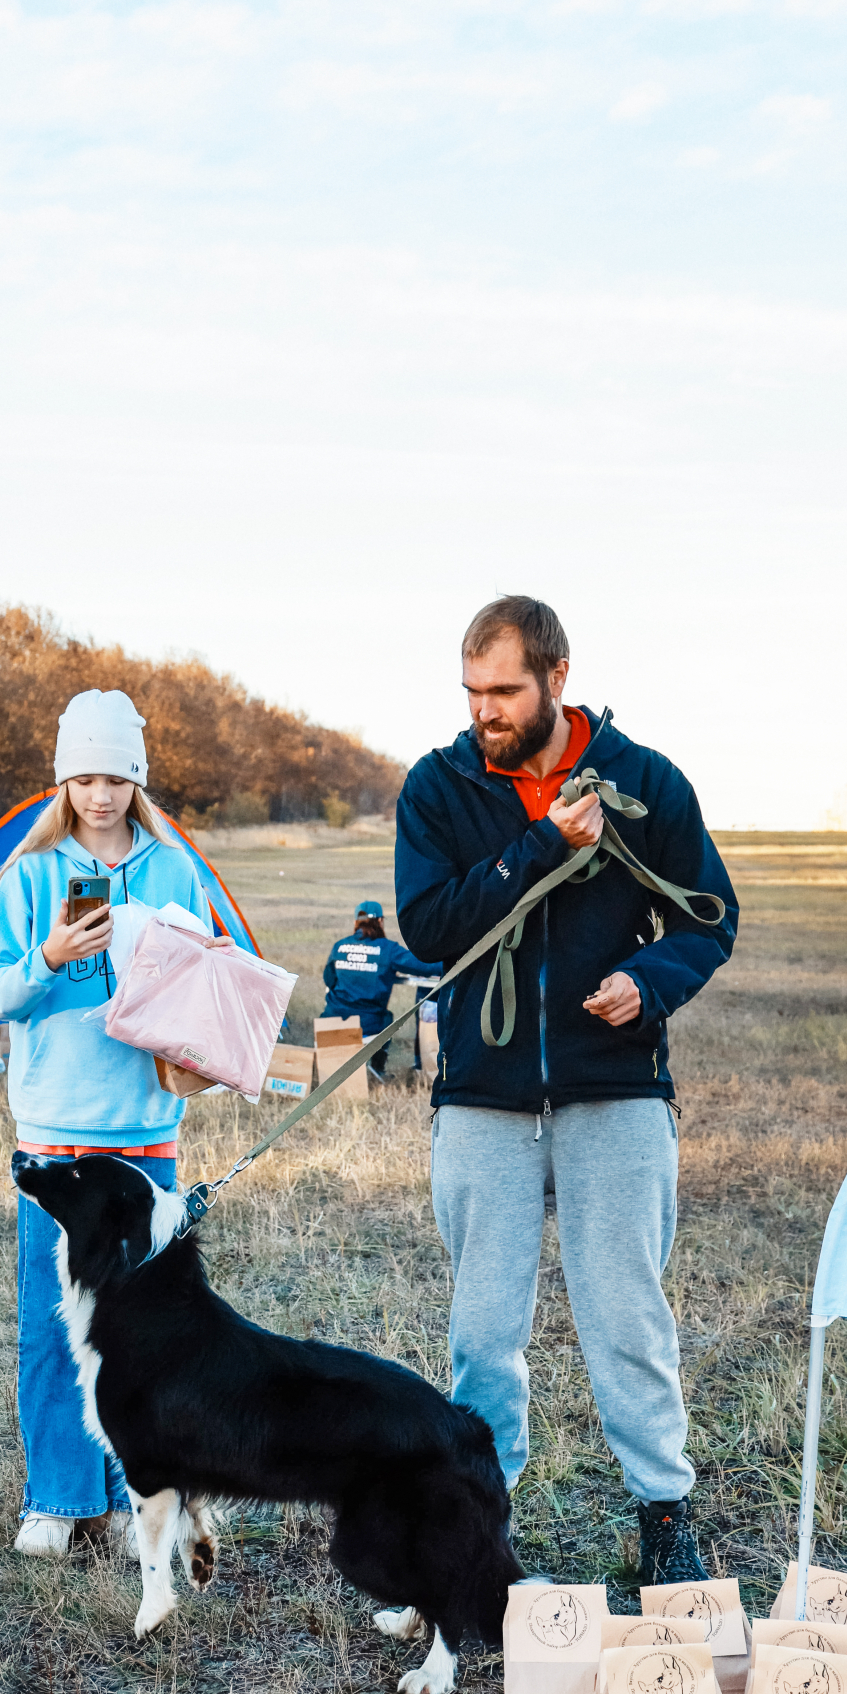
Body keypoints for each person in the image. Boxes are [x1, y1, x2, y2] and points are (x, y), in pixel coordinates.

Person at [394, 595, 739, 1585]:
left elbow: (710, 917)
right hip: (483, 1092)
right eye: (472, 691)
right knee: (483, 1326)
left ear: (557, 676)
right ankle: (478, 1525)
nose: (485, 711)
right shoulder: (439, 785)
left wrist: (652, 981)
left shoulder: (648, 780)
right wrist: (542, 842)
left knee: (629, 1310)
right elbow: (431, 927)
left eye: (504, 690)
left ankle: (664, 1514)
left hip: (616, 1082)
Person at [0, 689, 212, 1561]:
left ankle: (133, 1496)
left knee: (142, 1326)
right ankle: (57, 1498)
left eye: (116, 778)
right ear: (62, 779)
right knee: (51, 1323)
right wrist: (48, 957)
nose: (100, 796)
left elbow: (206, 983)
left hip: (144, 1124)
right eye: (84, 778)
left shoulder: (174, 869)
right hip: (56, 1126)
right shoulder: (27, 875)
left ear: (137, 779)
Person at [321, 901, 442, 1077]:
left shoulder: (339, 946)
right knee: (387, 1019)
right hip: (367, 1024)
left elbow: (329, 979)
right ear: (380, 921)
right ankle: (377, 1069)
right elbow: (424, 966)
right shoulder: (387, 950)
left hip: (331, 1019)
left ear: (356, 922)